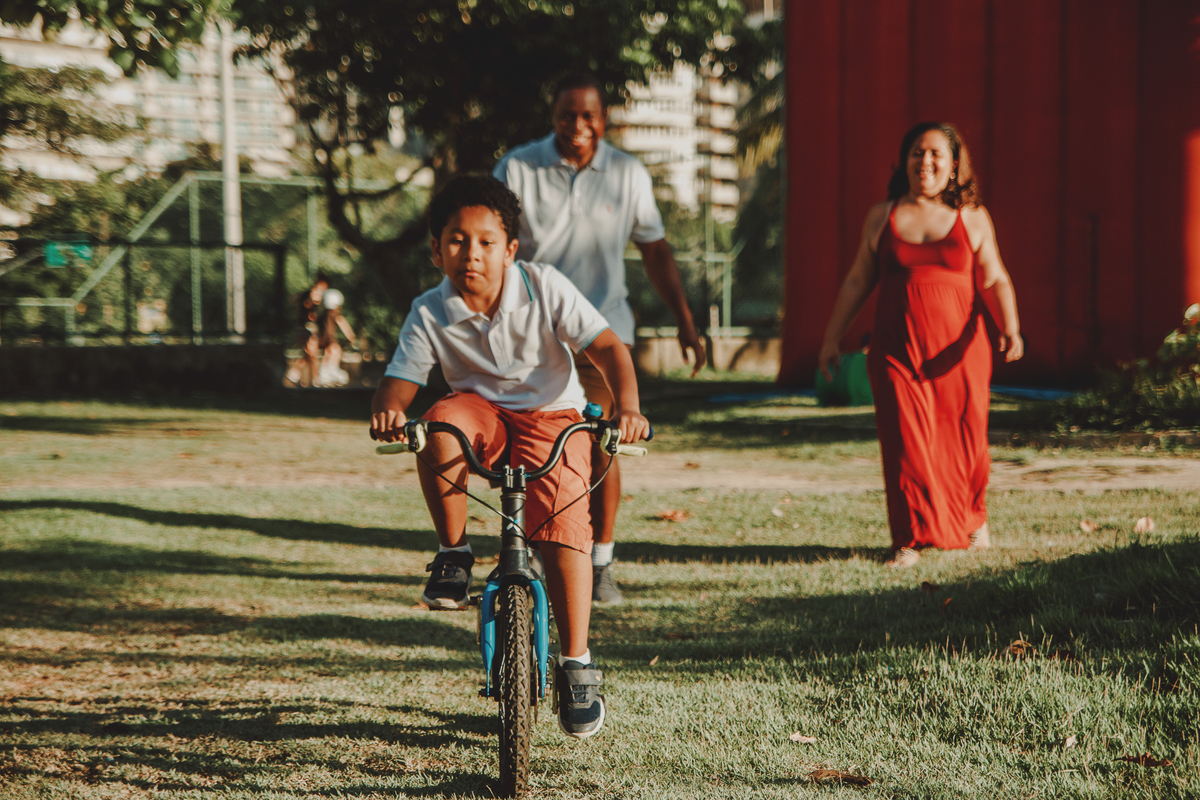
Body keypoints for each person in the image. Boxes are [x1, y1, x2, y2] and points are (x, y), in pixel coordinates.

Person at [370, 174, 650, 739]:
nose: (471, 253)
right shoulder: (430, 311)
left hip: (552, 416)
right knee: (438, 423)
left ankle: (576, 662)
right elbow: (397, 385)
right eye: (455, 239)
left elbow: (608, 349)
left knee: (566, 524)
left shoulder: (544, 286)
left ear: (510, 249)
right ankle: (453, 553)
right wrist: (391, 413)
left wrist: (629, 408)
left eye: (486, 241)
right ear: (435, 250)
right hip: (482, 418)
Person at [494, 72, 706, 604]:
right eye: (567, 115)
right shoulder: (518, 167)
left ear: (604, 119)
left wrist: (684, 319)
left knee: (597, 447)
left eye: (588, 115)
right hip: (532, 337)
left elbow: (655, 250)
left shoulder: (627, 173)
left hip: (601, 333)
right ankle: (534, 553)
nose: (578, 125)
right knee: (531, 448)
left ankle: (601, 559)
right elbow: (490, 241)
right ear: (553, 117)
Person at [817, 122, 1023, 568]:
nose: (924, 161)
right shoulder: (882, 216)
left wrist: (1011, 325)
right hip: (896, 351)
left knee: (967, 442)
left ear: (953, 167)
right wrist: (832, 337)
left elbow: (994, 277)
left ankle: (972, 519)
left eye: (935, 154)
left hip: (959, 354)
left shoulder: (973, 217)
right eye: (916, 152)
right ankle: (908, 538)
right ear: (904, 161)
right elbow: (857, 280)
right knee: (904, 442)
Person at [286, 273, 329, 387]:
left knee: (309, 354)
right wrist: (315, 301)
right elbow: (307, 305)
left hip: (305, 327)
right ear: (321, 283)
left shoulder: (306, 294)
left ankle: (299, 376)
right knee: (311, 354)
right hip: (307, 327)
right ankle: (315, 380)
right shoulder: (313, 294)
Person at [314, 288, 357, 387]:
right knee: (336, 350)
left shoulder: (322, 317)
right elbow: (346, 329)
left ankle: (324, 375)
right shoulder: (336, 316)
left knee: (329, 353)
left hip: (323, 342)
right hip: (330, 343)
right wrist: (351, 338)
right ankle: (331, 372)